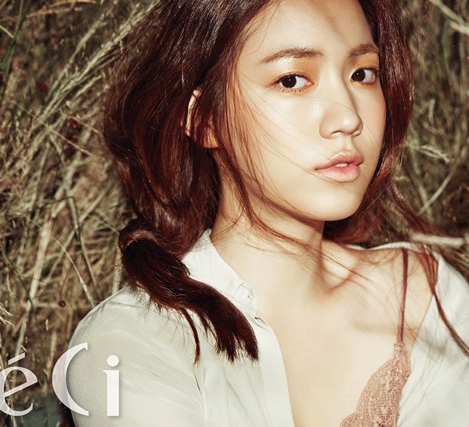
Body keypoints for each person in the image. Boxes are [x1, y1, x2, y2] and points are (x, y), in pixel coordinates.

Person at [67, 0, 469, 425]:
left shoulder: (425, 296)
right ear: (204, 119)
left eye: (362, 74)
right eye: (292, 80)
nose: (349, 118)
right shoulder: (131, 342)